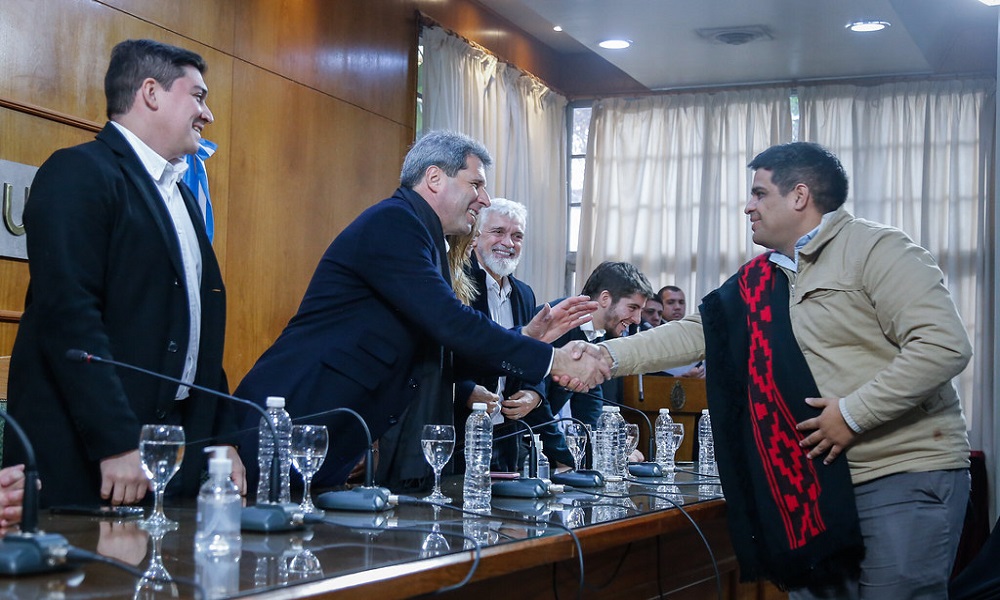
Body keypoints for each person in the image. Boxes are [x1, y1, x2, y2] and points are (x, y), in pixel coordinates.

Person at [575, 142, 972, 597]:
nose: (748, 206)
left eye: (759, 194)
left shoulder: (877, 250)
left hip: (899, 472)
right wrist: (606, 358)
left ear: (799, 196)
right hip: (815, 486)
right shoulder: (760, 277)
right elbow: (695, 333)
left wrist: (853, 414)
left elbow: (943, 346)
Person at [234, 130, 609, 490]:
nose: (484, 199)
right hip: (291, 422)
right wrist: (552, 360)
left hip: (326, 435)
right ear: (434, 178)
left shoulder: (427, 238)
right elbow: (450, 322)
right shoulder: (395, 223)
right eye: (475, 184)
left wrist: (528, 336)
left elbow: (444, 356)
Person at [3, 39, 245, 508]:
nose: (207, 114)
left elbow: (197, 331)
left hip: (167, 467)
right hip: (87, 468)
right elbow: (70, 318)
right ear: (151, 93)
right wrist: (115, 443)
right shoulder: (77, 172)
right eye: (197, 96)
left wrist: (222, 437)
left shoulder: (184, 197)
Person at [453, 198, 549, 472]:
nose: (508, 242)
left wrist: (534, 394)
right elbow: (435, 354)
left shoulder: (524, 293)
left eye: (517, 235)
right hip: (460, 433)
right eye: (498, 232)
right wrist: (465, 391)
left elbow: (530, 351)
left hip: (507, 437)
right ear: (475, 237)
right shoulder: (455, 281)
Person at [527, 261, 653, 468]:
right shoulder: (558, 320)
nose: (638, 319)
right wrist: (570, 457)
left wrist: (606, 451)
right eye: (632, 307)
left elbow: (590, 401)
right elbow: (534, 400)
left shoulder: (599, 335)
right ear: (605, 298)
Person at [656, 285, 705, 378]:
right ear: (659, 305)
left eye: (681, 302)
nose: (678, 307)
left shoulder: (692, 331)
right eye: (671, 302)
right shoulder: (651, 332)